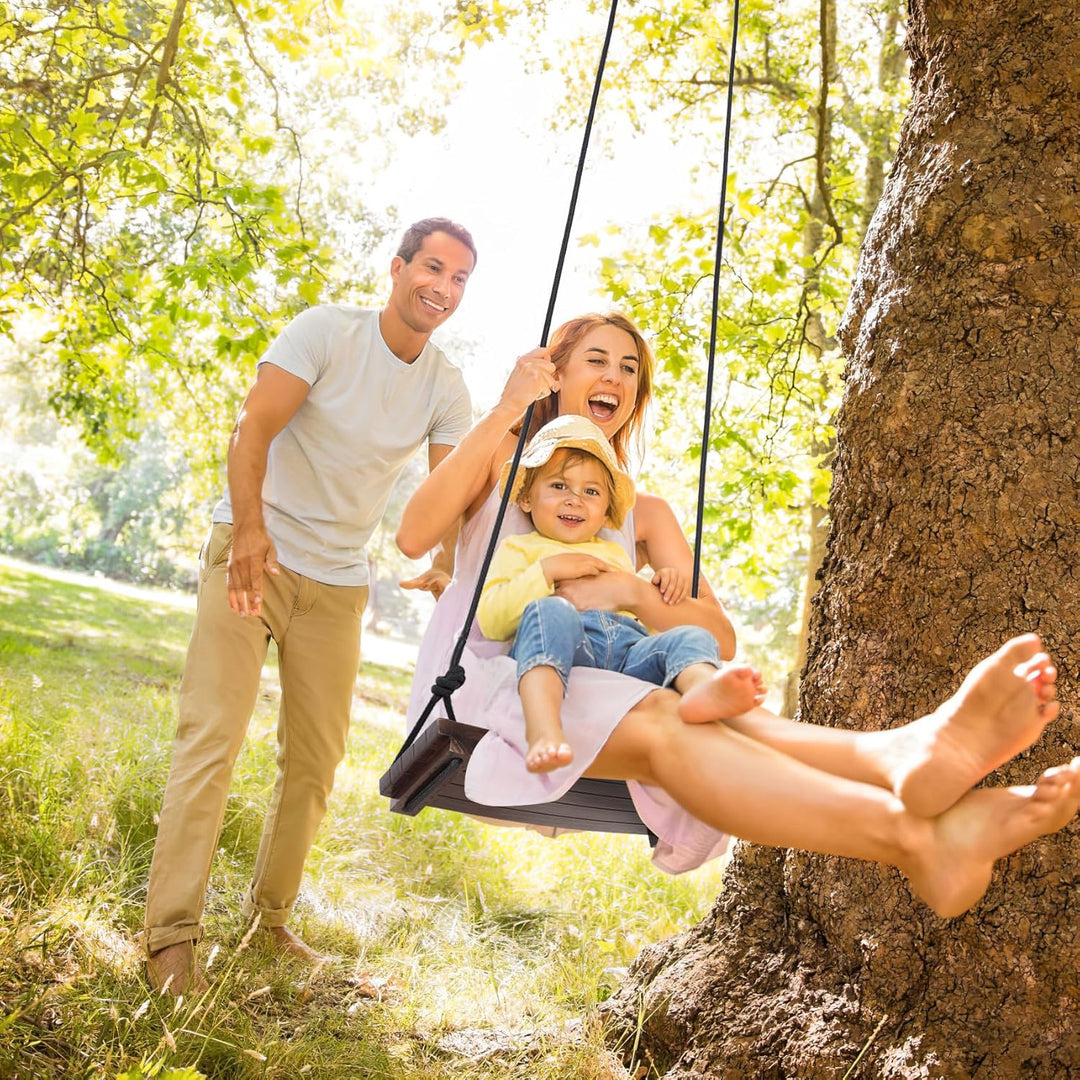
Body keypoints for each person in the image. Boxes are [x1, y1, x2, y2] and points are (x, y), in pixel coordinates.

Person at [397, 310, 1080, 919]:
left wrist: (634, 594)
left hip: (606, 675)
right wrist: (503, 410)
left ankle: (903, 766)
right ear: (554, 374)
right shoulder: (500, 458)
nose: (616, 377)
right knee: (674, 720)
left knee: (706, 707)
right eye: (597, 361)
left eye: (630, 369)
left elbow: (717, 635)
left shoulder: (644, 513)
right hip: (497, 679)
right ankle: (913, 828)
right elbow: (413, 534)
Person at [144, 217, 477, 995]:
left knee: (317, 759)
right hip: (253, 554)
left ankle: (268, 920)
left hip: (336, 581)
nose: (444, 288)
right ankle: (170, 940)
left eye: (461, 279)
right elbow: (252, 428)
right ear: (397, 270)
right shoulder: (326, 332)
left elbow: (452, 493)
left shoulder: (445, 385)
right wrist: (251, 530)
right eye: (433, 268)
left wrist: (446, 564)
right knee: (212, 739)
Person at [477, 412, 765, 772]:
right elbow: (491, 619)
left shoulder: (615, 553)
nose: (574, 500)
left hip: (627, 655)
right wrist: (546, 571)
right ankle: (544, 730)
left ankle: (703, 690)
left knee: (688, 635)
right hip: (565, 646)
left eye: (591, 492)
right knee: (550, 611)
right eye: (559, 486)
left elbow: (637, 615)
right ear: (527, 499)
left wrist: (661, 590)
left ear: (604, 513)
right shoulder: (519, 549)